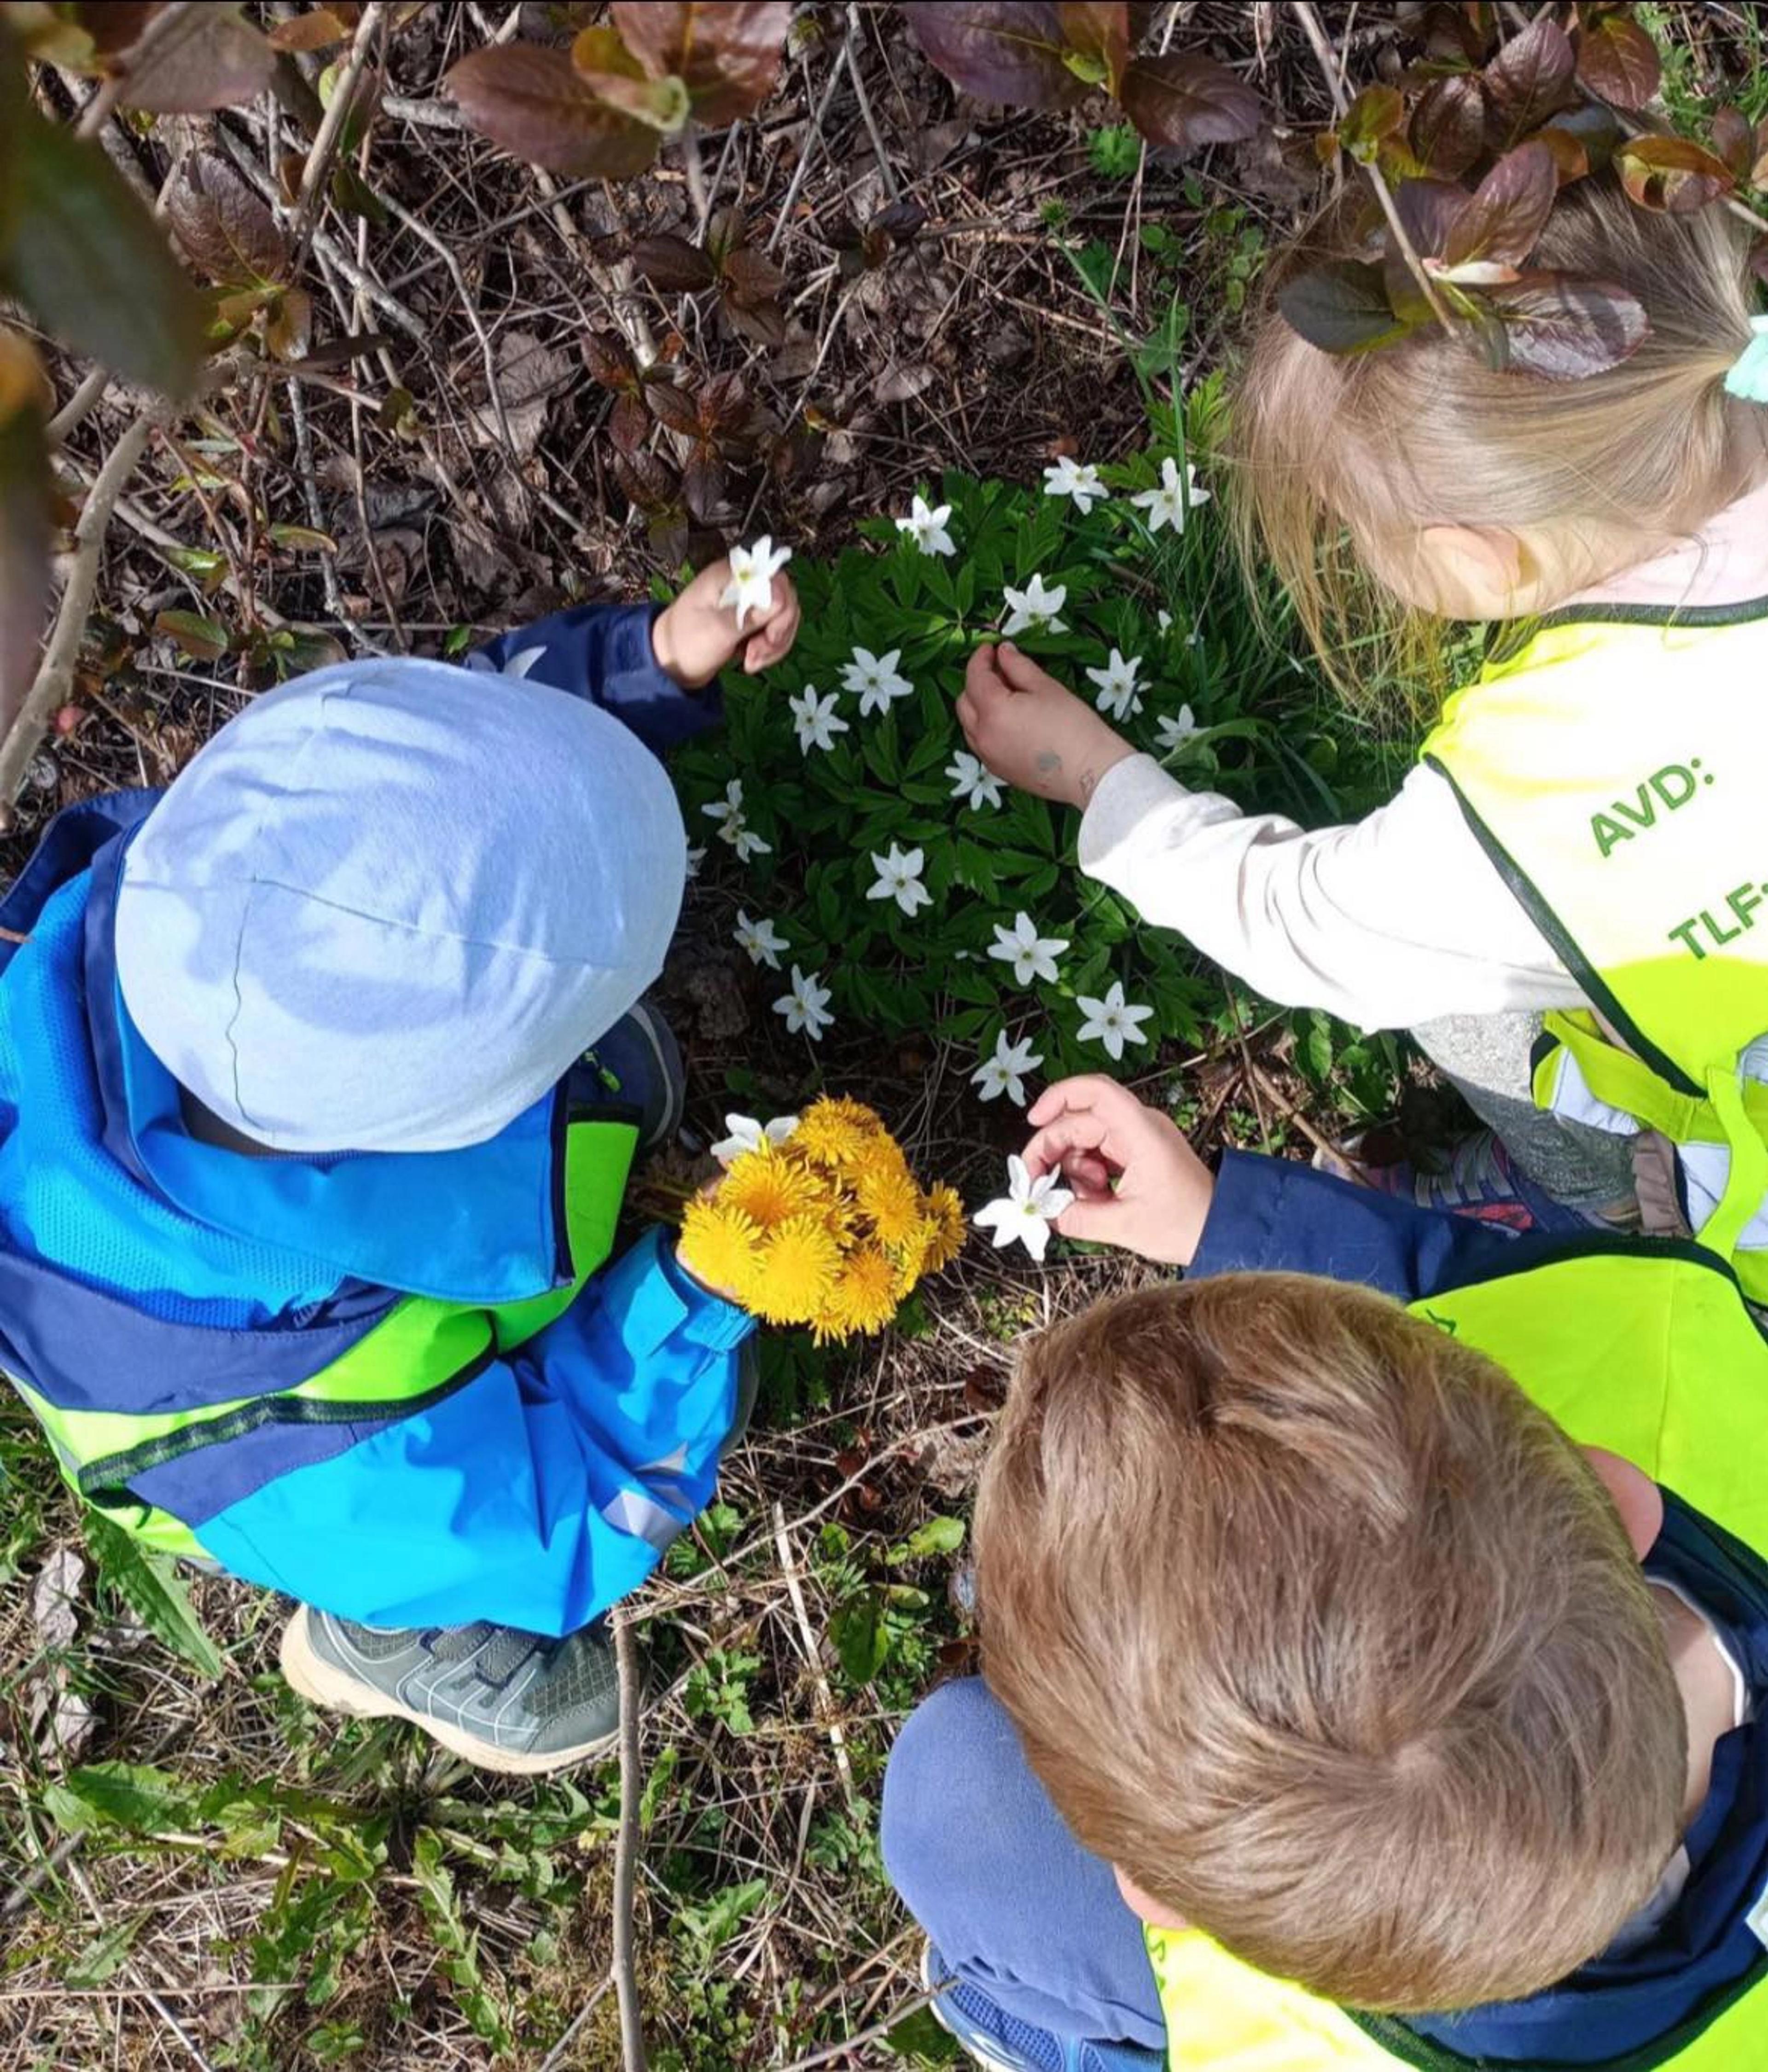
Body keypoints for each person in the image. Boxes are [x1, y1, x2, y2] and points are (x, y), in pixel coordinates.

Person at [0, 559, 798, 1774]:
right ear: (467, 1117)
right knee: (504, 1514)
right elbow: (574, 1494)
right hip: (337, 1480)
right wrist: (703, 1295)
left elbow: (442, 779)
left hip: (352, 1272)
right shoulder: (317, 1432)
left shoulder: (216, 876)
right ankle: (392, 1641)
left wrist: (643, 664)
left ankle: (592, 1084)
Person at [954, 174, 1768, 1266]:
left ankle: (1595, 1210)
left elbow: (1307, 925)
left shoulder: (1525, 802)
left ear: (1474, 557)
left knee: (1458, 1004)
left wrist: (1100, 778)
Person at [882, 1076, 1768, 2072]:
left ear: (1164, 1904)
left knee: (953, 1799)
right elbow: (1491, 1295)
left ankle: (1074, 2044)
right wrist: (1226, 1220)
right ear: (1617, 1495)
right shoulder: (1680, 1363)